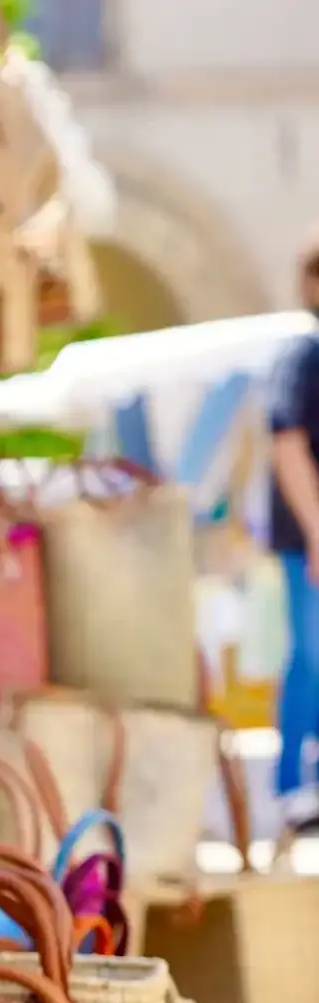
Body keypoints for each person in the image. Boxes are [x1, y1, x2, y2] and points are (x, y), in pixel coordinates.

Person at [269, 243, 319, 821]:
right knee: (309, 657)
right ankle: (289, 789)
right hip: (306, 539)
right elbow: (289, 445)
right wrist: (315, 530)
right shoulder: (302, 357)